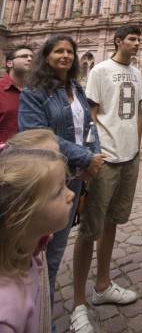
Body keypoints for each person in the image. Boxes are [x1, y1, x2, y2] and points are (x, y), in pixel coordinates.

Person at [72, 24, 142, 333]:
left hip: (129, 158)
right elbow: (90, 115)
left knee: (113, 222)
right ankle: (78, 305)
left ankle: (102, 285)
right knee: (90, 228)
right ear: (118, 41)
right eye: (132, 39)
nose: (137, 43)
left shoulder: (138, 72)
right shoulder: (101, 70)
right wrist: (94, 154)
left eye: (139, 39)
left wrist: (136, 144)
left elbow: (139, 110)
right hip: (106, 160)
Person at [18, 35, 103, 305]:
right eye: (59, 51)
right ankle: (27, 315)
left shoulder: (76, 89)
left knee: (55, 252)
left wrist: (93, 157)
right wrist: (85, 158)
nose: (65, 56)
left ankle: (43, 315)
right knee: (36, 253)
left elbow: (90, 126)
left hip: (74, 179)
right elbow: (38, 135)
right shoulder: (34, 91)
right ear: (47, 56)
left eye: (70, 51)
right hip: (48, 180)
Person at [0, 128, 74, 333]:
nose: (71, 195)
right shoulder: (6, 314)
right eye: (60, 190)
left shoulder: (28, 249)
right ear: (21, 217)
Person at [0, 44, 33, 142]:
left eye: (32, 57)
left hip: (33, 153)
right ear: (10, 63)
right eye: (24, 56)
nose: (30, 59)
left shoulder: (37, 92)